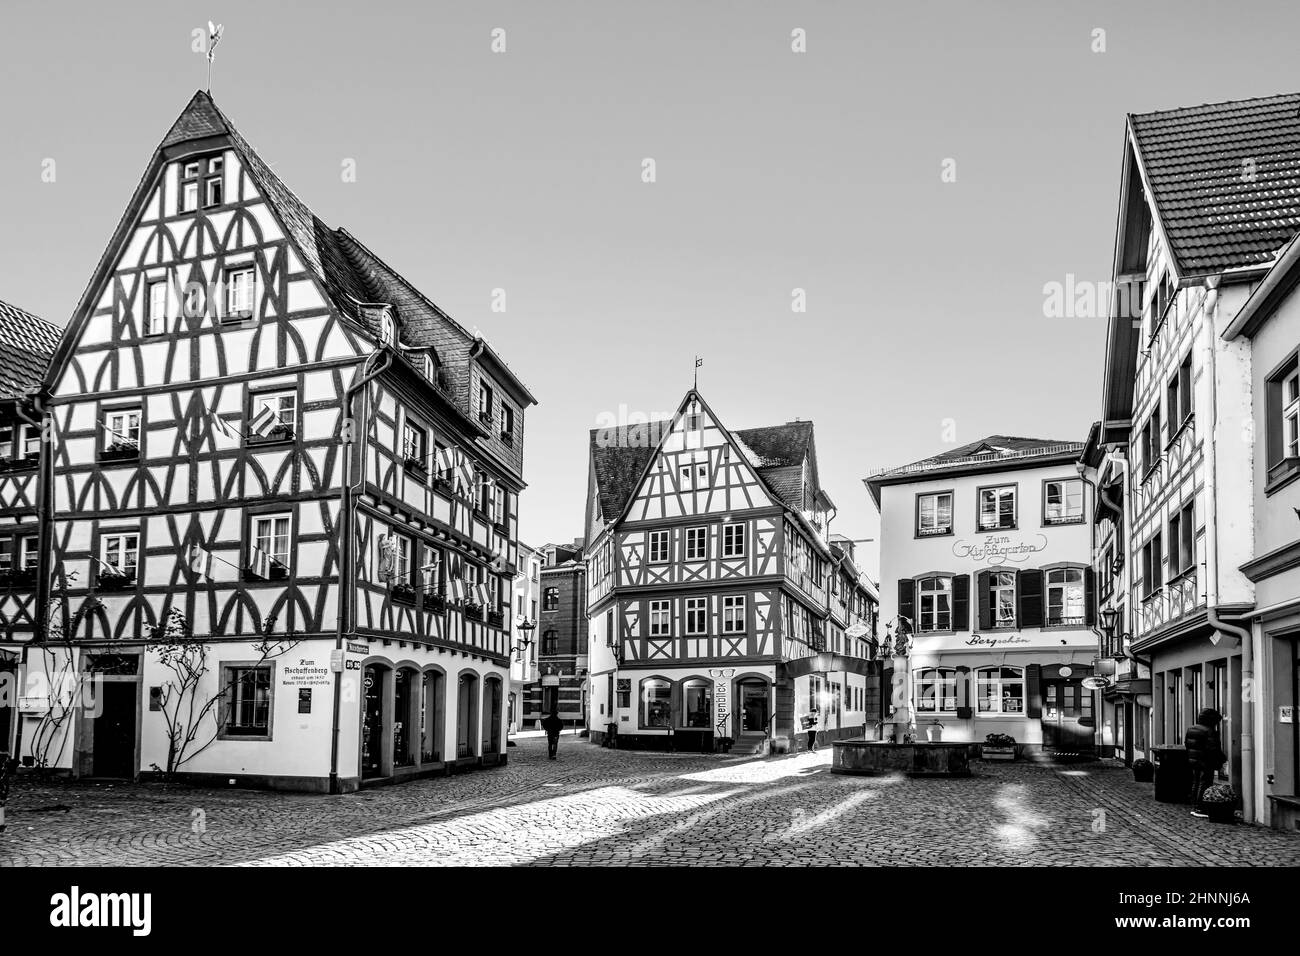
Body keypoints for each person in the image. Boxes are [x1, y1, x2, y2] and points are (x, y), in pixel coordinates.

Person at [1184, 708, 1226, 818]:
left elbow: (1187, 745)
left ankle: (1194, 806)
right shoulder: (1209, 731)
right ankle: (1201, 807)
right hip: (1206, 761)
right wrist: (1221, 759)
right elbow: (1213, 749)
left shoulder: (1191, 729)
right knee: (1205, 783)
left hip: (1194, 760)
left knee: (1196, 782)